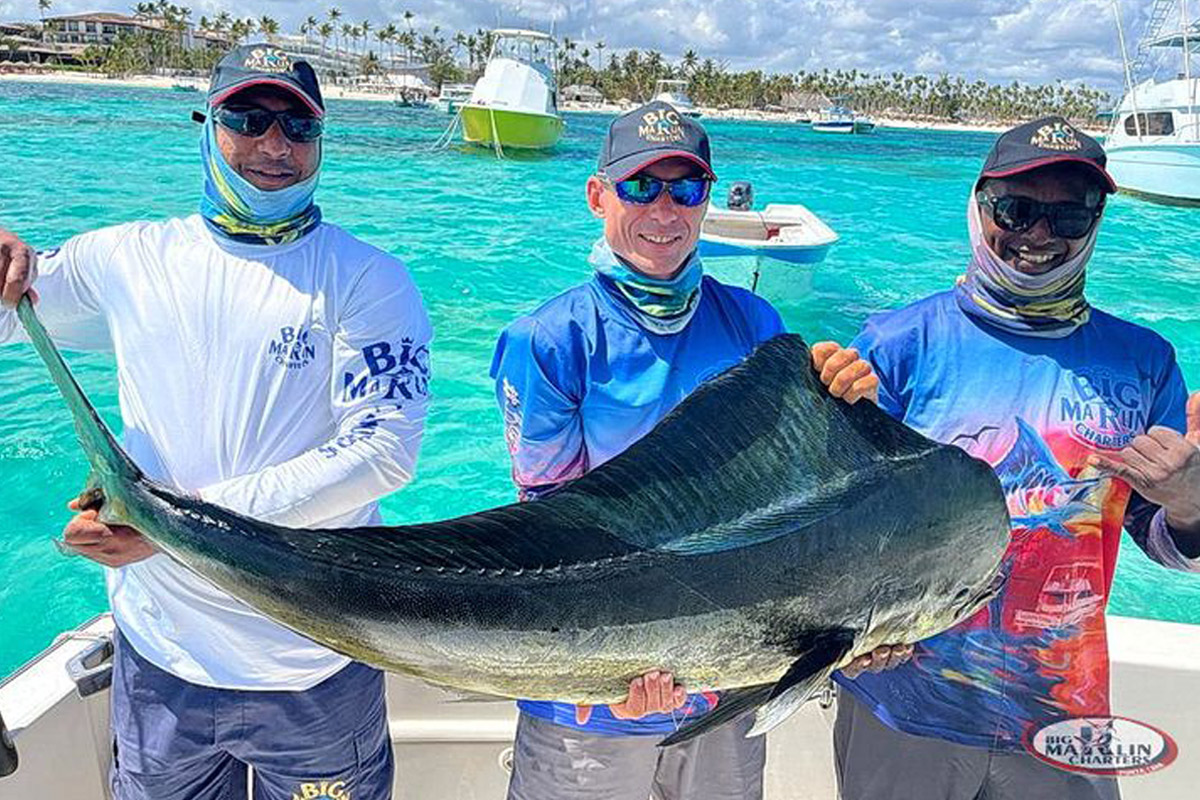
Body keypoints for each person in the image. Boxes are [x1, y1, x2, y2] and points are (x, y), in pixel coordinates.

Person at [0, 45, 431, 800]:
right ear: (207, 124)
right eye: (248, 117)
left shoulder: (370, 278)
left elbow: (381, 454)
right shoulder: (127, 258)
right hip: (163, 660)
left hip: (315, 659)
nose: (275, 144)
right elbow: (12, 311)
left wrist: (169, 523)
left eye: (298, 126)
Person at [490, 101, 909, 800]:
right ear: (598, 196)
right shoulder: (549, 340)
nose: (664, 209)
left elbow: (796, 492)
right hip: (590, 701)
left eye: (684, 189)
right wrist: (602, 678)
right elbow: (543, 534)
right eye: (639, 186)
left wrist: (853, 399)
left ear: (706, 199)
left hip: (729, 685)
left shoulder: (755, 323)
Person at [833, 116, 1200, 800]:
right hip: (903, 702)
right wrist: (855, 632)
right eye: (1018, 209)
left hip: (1063, 709)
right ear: (979, 207)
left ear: (1095, 220)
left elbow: (1165, 540)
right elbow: (838, 528)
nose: (1039, 234)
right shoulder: (895, 345)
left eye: (1068, 212)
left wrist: (1190, 499)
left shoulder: (1145, 363)